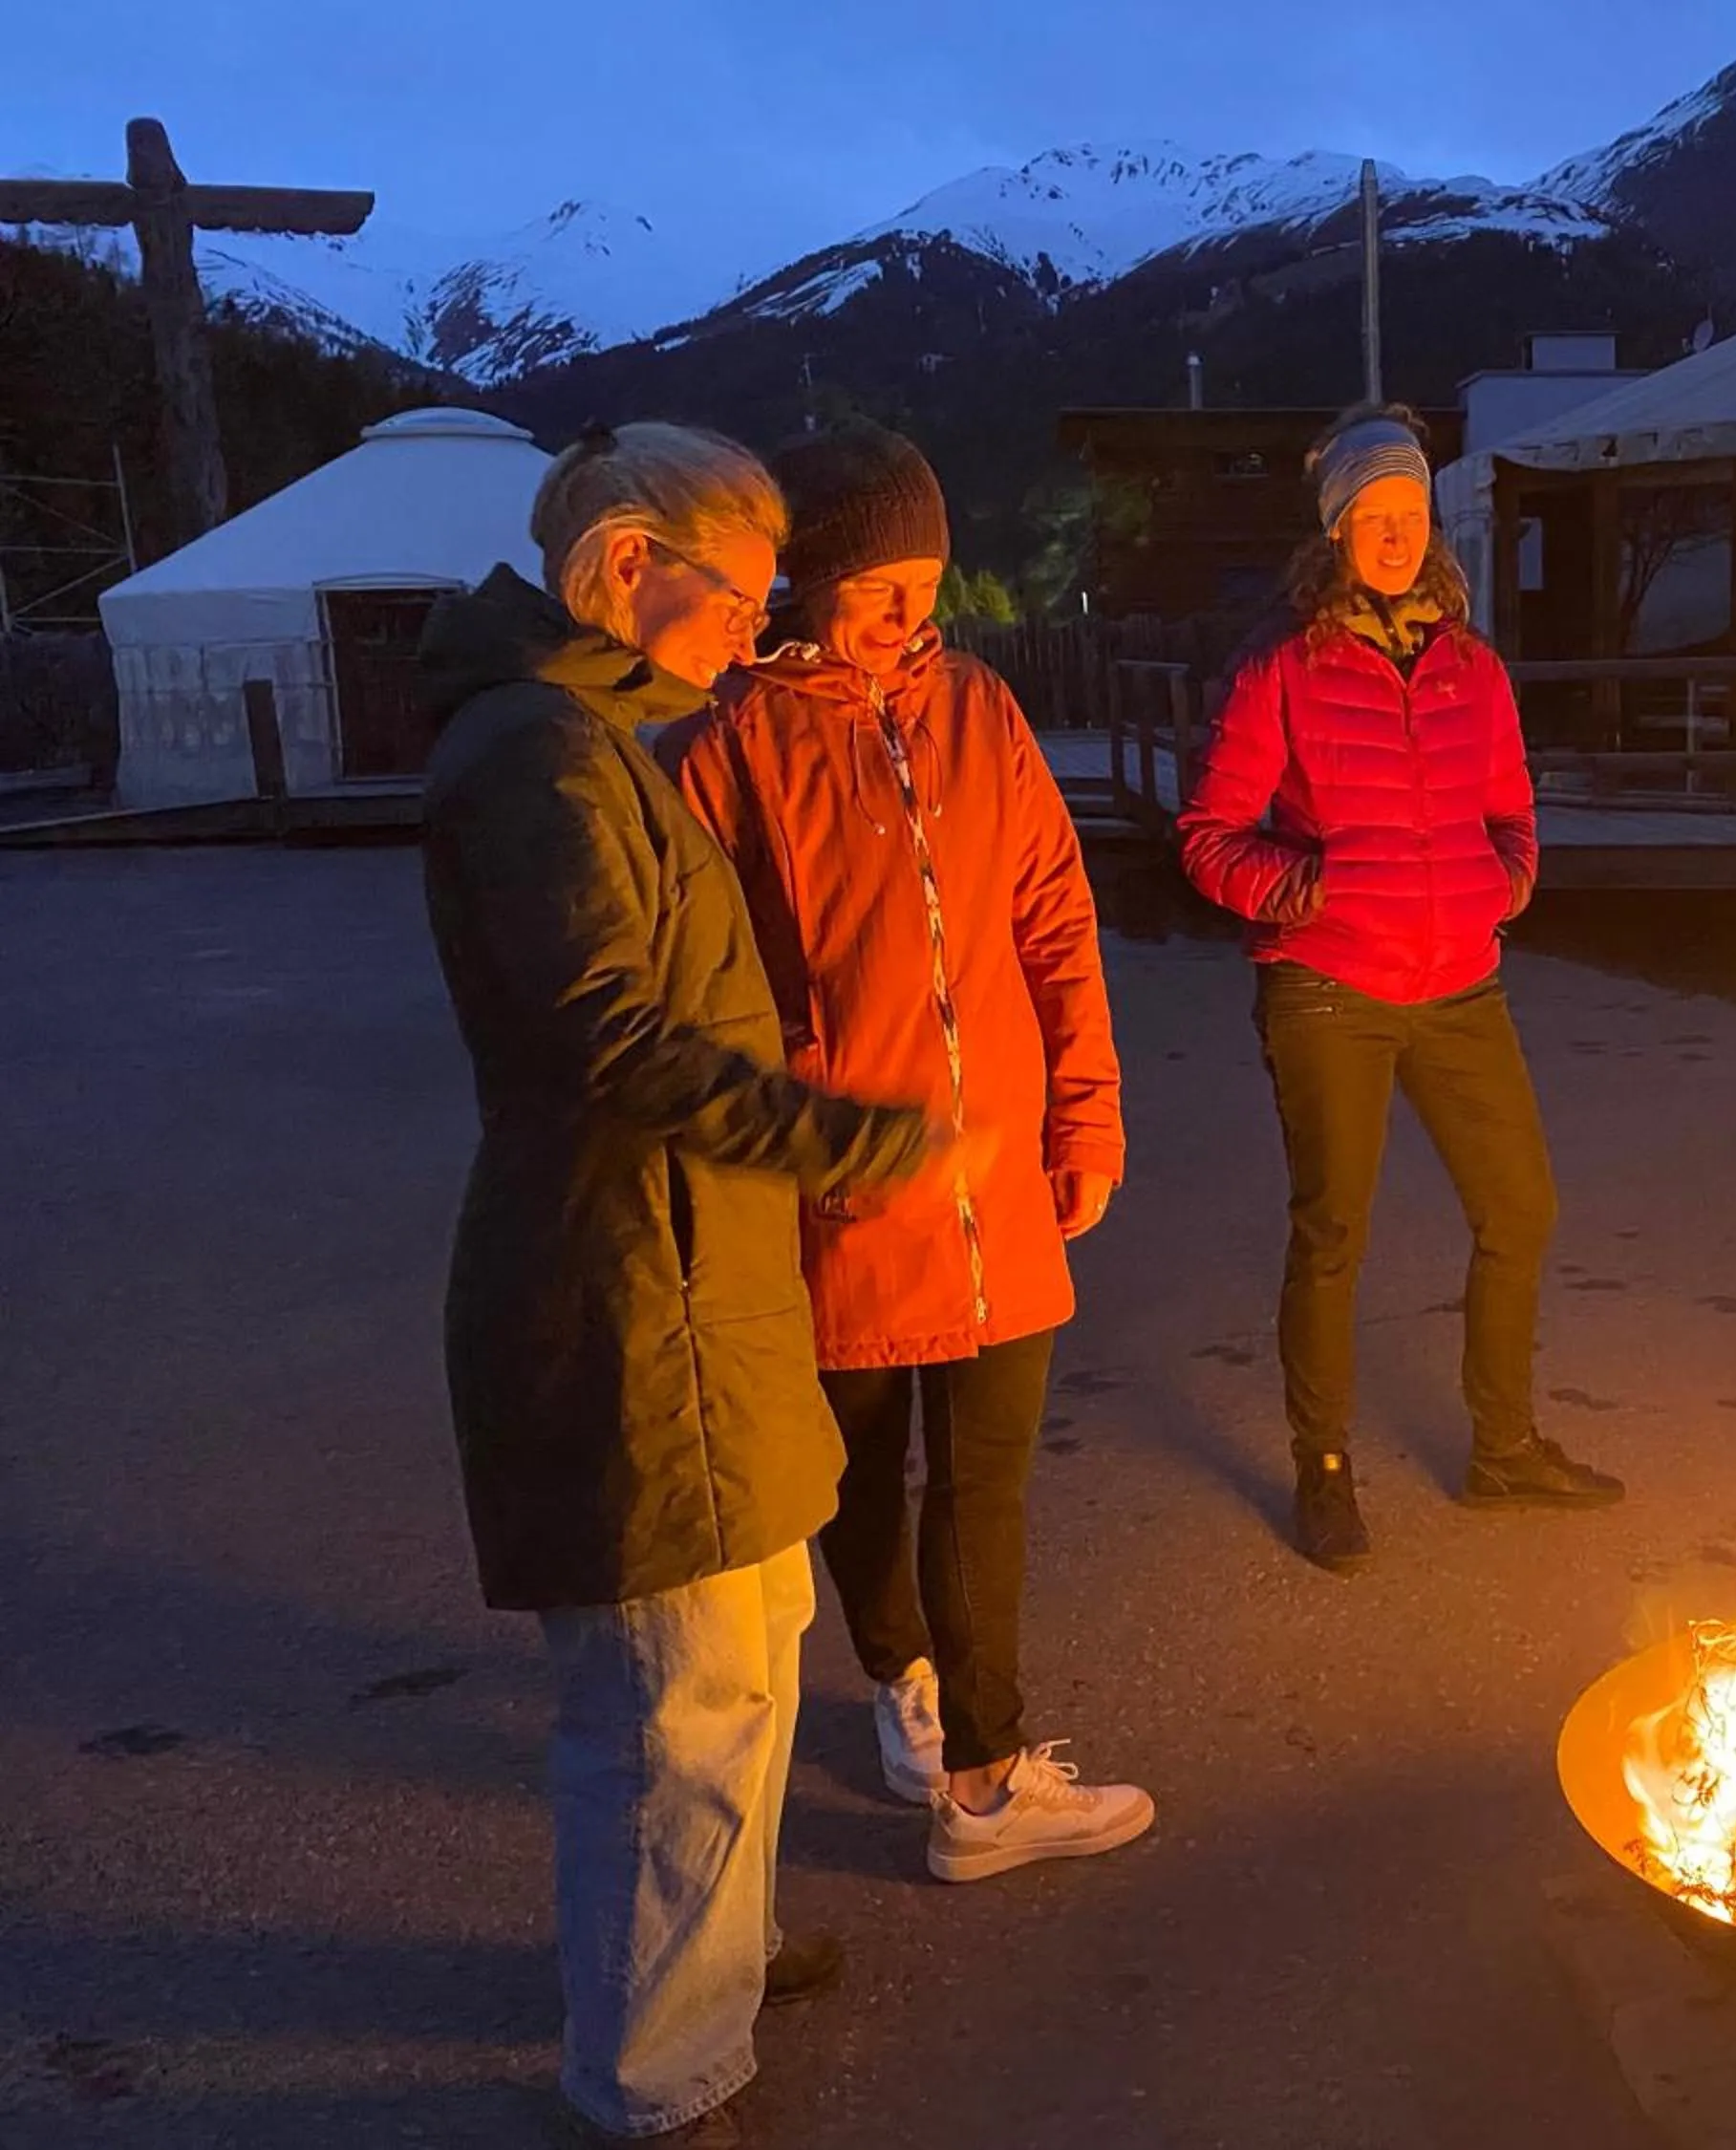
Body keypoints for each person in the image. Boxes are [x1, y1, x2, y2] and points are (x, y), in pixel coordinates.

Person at [418, 423, 941, 2146]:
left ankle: (714, 1948)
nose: (754, 632)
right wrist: (842, 1136)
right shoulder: (540, 759)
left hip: (698, 1275)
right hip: (630, 1282)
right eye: (739, 598)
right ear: (627, 567)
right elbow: (603, 1034)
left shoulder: (594, 739)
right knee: (671, 1700)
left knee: (754, 1647)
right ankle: (653, 2070)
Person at [658, 422, 1151, 1883]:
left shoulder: (981, 709)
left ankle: (986, 1781)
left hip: (997, 1168)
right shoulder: (729, 746)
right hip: (842, 1176)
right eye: (879, 583)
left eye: (926, 581)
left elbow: (1054, 917)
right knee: (863, 1475)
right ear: (809, 582)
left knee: (986, 1480)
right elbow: (692, 985)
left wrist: (1089, 1108)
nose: (909, 614)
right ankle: (906, 1686)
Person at [1177, 404, 1623, 1574]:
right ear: (1336, 534)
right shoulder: (1285, 665)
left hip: (1461, 984)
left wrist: (1505, 883)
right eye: (1372, 517)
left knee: (1519, 1210)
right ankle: (1322, 1468)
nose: (1394, 534)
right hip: (1329, 988)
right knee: (1335, 1235)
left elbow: (1512, 812)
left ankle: (1505, 1448)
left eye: (1410, 514)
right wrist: (1310, 890)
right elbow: (1209, 837)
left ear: (1433, 527)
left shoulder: (1474, 671)